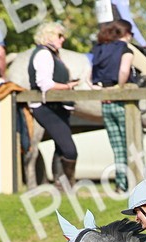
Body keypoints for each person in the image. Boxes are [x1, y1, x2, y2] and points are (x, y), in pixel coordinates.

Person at [28, 21, 80, 187]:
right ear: (49, 36)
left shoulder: (53, 54)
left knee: (61, 147)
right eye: (59, 36)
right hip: (46, 106)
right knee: (70, 150)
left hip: (57, 106)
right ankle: (66, 185)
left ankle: (61, 184)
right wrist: (68, 86)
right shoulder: (44, 54)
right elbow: (45, 84)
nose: (63, 39)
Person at [91, 20, 136, 191]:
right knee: (130, 144)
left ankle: (120, 184)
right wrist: (118, 88)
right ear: (125, 33)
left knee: (117, 147)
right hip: (122, 102)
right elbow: (124, 71)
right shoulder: (125, 49)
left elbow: (90, 76)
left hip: (105, 102)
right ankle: (133, 183)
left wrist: (102, 89)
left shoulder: (99, 48)